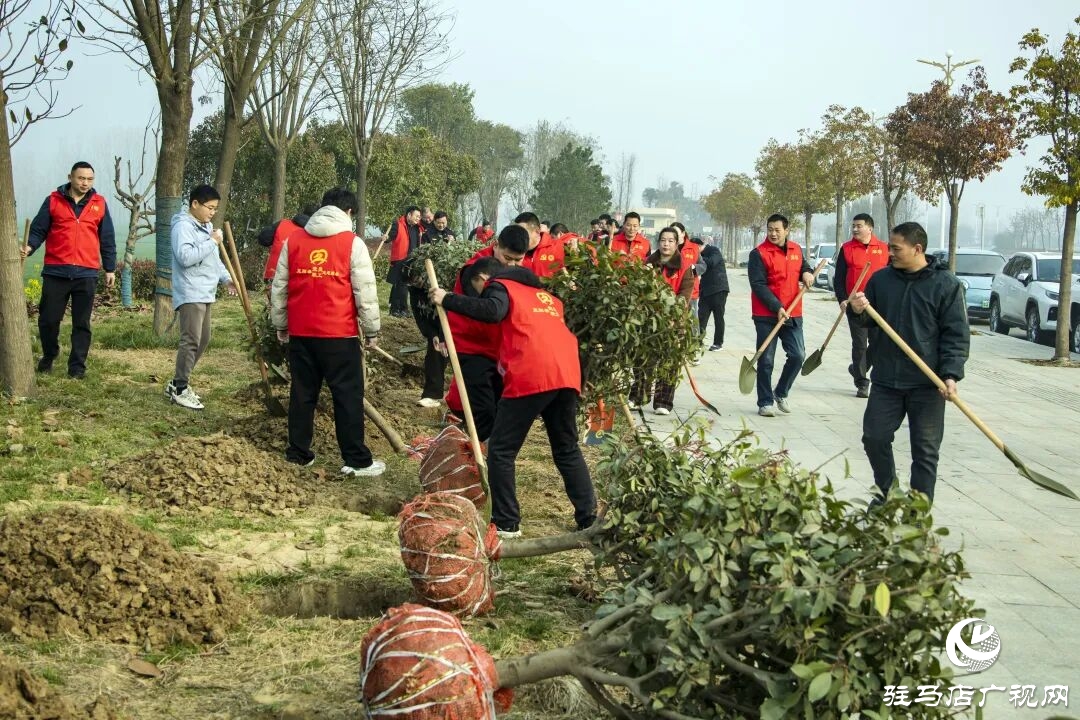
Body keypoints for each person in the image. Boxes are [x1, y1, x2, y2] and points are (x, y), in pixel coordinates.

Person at [429, 225, 596, 538]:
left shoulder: (501, 287)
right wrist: (582, 380)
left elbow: (492, 311)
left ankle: (507, 523)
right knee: (567, 449)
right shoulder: (547, 297)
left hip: (533, 373)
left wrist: (447, 298)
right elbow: (566, 337)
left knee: (502, 452)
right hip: (568, 374)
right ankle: (588, 516)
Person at [848, 222, 968, 504]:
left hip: (928, 384)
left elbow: (956, 335)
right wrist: (857, 310)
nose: (890, 253)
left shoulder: (946, 285)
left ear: (917, 249)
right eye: (889, 247)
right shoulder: (881, 280)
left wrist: (950, 375)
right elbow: (868, 319)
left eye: (896, 248)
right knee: (874, 438)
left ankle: (917, 517)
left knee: (925, 452)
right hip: (887, 379)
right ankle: (887, 494)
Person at [270, 187, 385, 477]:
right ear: (348, 212)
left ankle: (298, 453)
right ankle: (356, 460)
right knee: (347, 395)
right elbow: (365, 292)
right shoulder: (352, 243)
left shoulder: (293, 240)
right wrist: (372, 330)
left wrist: (280, 324)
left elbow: (279, 286)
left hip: (302, 333)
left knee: (302, 393)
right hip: (339, 334)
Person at [22, 161, 116, 379]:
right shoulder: (53, 201)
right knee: (48, 320)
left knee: (81, 324)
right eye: (81, 178)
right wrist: (29, 247)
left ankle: (77, 368)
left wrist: (109, 268)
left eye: (89, 179)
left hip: (86, 272)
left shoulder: (99, 203)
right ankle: (49, 354)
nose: (85, 183)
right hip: (56, 271)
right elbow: (38, 229)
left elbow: (107, 238)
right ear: (71, 177)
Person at [442, 227, 529, 441]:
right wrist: (447, 299)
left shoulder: (516, 270)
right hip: (471, 345)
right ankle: (486, 454)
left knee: (501, 402)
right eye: (507, 258)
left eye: (518, 260)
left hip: (498, 348)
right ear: (496, 244)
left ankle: (490, 447)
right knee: (484, 408)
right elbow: (488, 309)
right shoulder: (476, 269)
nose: (511, 265)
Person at [165, 184, 238, 410]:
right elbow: (185, 257)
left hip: (205, 290)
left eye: (215, 209)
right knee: (191, 340)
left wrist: (226, 278)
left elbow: (213, 259)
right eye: (210, 207)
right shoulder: (183, 227)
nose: (212, 212)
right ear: (195, 204)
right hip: (190, 290)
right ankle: (180, 387)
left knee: (203, 339)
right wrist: (212, 241)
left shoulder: (205, 226)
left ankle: (178, 381)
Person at [748, 213, 814, 417]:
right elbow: (758, 285)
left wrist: (807, 272)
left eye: (777, 230)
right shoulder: (758, 253)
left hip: (793, 312)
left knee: (798, 355)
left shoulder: (796, 249)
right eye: (770, 229)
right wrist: (776, 306)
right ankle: (765, 402)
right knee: (766, 360)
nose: (773, 233)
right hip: (766, 314)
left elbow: (802, 266)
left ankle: (781, 391)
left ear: (787, 230)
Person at [633, 227, 694, 415]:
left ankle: (663, 402)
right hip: (649, 319)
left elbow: (685, 295)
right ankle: (638, 397)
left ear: (677, 244)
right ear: (658, 242)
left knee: (669, 361)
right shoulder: (648, 264)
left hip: (674, 320)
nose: (666, 244)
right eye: (663, 240)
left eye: (670, 241)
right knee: (644, 359)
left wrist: (673, 316)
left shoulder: (684, 267)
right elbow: (640, 291)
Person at [834, 213, 890, 398]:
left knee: (878, 343)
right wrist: (842, 299)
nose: (855, 229)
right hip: (855, 304)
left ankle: (859, 368)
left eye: (859, 225)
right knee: (859, 344)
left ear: (870, 228)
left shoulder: (883, 248)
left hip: (878, 306)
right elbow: (839, 278)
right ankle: (862, 382)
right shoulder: (847, 249)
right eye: (854, 226)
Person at [410, 211, 455, 408]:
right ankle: (433, 394)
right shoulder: (417, 292)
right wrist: (433, 335)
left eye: (420, 279)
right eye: (414, 280)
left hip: (457, 320)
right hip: (436, 323)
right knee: (435, 351)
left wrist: (445, 336)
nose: (418, 282)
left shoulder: (448, 282)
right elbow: (421, 315)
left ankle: (464, 400)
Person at [258, 202, 318, 283]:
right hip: (296, 280)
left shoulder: (282, 224)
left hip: (272, 277)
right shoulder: (314, 233)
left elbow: (263, 239)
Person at [385, 206, 423, 317]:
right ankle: (395, 309)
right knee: (398, 284)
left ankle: (404, 308)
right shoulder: (398, 224)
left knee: (406, 285)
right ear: (409, 215)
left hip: (411, 260)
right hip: (399, 258)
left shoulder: (417, 228)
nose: (418, 219)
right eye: (416, 216)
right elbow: (391, 235)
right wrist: (386, 238)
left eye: (419, 217)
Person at [698, 242, 729, 350]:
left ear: (699, 246)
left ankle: (718, 343)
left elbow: (711, 262)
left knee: (718, 317)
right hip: (705, 291)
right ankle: (698, 341)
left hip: (719, 289)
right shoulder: (700, 256)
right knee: (701, 317)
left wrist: (696, 257)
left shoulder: (713, 250)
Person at [516, 211, 566, 277]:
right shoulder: (514, 253)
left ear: (537, 230)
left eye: (523, 233)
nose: (519, 237)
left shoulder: (559, 247)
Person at [672, 222, 705, 315]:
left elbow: (703, 266)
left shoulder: (693, 247)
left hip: (691, 292)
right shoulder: (668, 247)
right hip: (672, 292)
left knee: (692, 324)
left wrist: (693, 269)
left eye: (676, 233)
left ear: (683, 233)